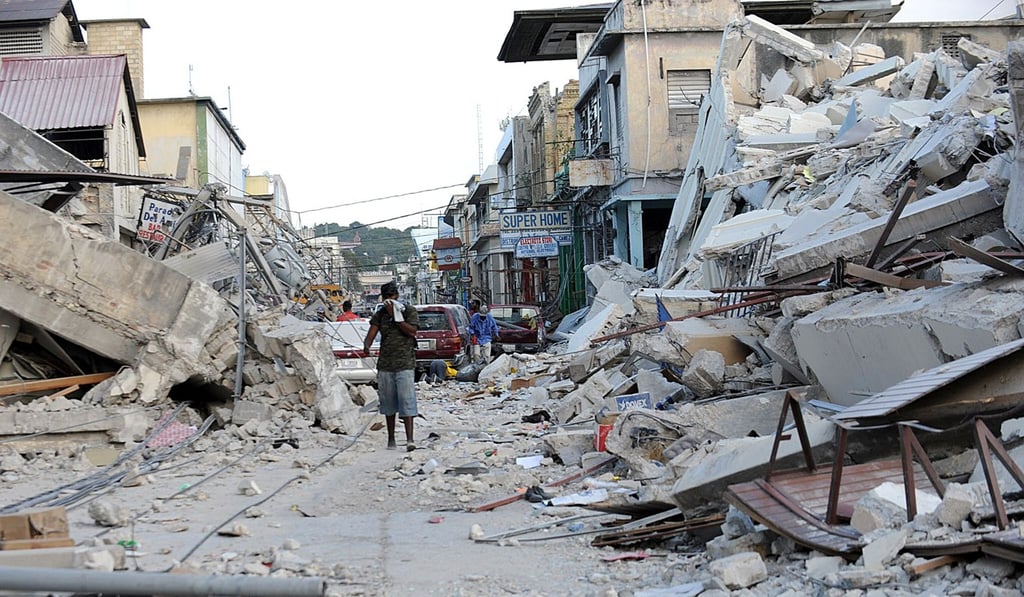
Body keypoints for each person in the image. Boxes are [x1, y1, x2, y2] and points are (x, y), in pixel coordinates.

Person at [363, 282, 420, 451]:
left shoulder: (408, 311)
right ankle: (391, 439)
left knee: (407, 401)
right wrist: (366, 346)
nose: (389, 300)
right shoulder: (380, 315)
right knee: (388, 404)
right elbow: (372, 333)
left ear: (397, 296)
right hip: (386, 364)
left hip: (405, 363)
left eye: (391, 297)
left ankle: (410, 439)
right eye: (386, 297)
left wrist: (395, 316)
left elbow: (412, 331)